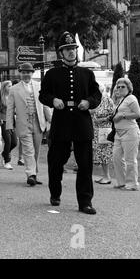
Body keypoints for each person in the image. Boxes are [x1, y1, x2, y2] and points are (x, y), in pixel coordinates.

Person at [39, 31, 102, 215]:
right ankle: (55, 193)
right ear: (61, 53)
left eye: (73, 49)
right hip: (62, 122)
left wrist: (89, 102)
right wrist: (53, 100)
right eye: (67, 49)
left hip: (82, 124)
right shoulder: (52, 74)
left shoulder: (87, 73)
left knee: (85, 164)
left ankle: (85, 201)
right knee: (56, 162)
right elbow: (43, 95)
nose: (71, 52)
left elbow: (96, 94)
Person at [6, 63, 51, 186]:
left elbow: (45, 104)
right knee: (28, 150)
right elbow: (10, 108)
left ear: (32, 73)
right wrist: (9, 125)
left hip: (38, 121)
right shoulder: (14, 89)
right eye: (24, 72)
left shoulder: (39, 86)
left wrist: (51, 119)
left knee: (36, 150)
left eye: (28, 72)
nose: (26, 74)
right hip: (23, 122)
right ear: (20, 73)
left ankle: (34, 173)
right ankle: (30, 174)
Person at [112, 78, 140, 191]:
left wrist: (123, 116)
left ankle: (132, 184)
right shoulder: (121, 99)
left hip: (130, 132)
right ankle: (121, 182)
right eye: (118, 86)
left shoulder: (131, 98)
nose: (120, 88)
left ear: (129, 88)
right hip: (118, 133)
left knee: (130, 159)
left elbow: (138, 114)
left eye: (123, 86)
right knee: (116, 158)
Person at [91, 84, 114, 185]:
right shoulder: (94, 100)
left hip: (104, 130)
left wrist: (101, 119)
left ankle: (107, 177)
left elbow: (112, 114)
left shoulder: (107, 100)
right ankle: (104, 176)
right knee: (100, 154)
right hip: (96, 131)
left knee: (105, 153)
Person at [0, 80, 18, 170]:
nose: (11, 87)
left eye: (11, 85)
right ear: (4, 87)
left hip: (11, 121)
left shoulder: (13, 97)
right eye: (9, 86)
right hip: (4, 121)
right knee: (8, 141)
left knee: (14, 142)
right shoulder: (0, 97)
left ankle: (4, 154)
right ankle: (7, 161)